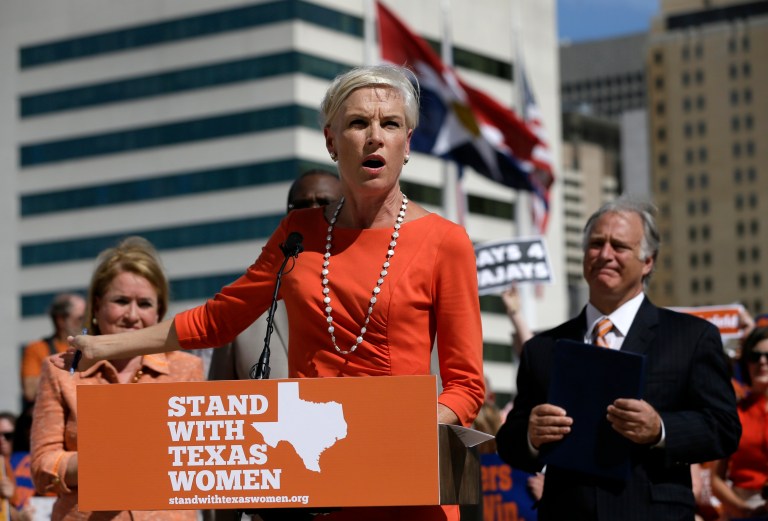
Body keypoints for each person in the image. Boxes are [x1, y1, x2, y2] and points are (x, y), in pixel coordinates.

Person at [58, 65, 485, 521]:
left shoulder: (446, 242)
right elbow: (218, 319)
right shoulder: (297, 233)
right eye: (359, 123)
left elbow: (466, 385)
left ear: (408, 143)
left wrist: (415, 427)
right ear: (331, 141)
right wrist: (104, 345)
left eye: (391, 124)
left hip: (404, 487)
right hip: (313, 484)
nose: (375, 137)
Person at [496, 196, 741, 520]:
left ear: (648, 261)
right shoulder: (542, 348)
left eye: (620, 246)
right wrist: (530, 435)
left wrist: (661, 428)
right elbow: (509, 442)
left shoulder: (691, 337)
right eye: (596, 244)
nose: (605, 254)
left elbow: (724, 428)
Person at [30, 237, 204, 521]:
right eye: (121, 301)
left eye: (144, 304)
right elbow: (41, 468)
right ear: (97, 306)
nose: (132, 315)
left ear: (159, 312)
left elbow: (204, 457)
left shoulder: (187, 369)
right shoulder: (61, 370)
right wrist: (98, 461)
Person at [207, 169, 342, 381]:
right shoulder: (243, 308)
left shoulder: (375, 297)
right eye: (301, 206)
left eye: (325, 204)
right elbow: (220, 395)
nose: (312, 214)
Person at [711, 326, 768, 520]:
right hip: (744, 507)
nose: (762, 361)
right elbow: (716, 478)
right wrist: (744, 511)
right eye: (755, 356)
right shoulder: (734, 413)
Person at [20, 294, 86, 405]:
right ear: (61, 320)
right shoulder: (37, 348)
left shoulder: (90, 348)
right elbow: (30, 391)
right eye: (80, 318)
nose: (85, 323)